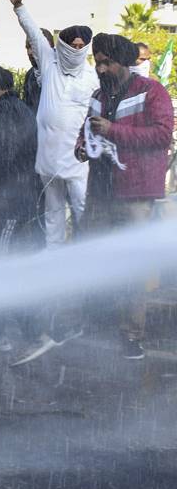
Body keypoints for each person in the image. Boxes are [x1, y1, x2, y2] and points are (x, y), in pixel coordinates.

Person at [76, 33, 174, 360]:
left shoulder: (152, 91)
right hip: (101, 193)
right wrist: (81, 147)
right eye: (98, 61)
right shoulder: (97, 95)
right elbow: (88, 130)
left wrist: (113, 131)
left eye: (107, 62)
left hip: (135, 194)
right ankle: (101, 322)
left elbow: (162, 135)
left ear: (124, 62)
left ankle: (132, 335)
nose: (101, 68)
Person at [0, 63, 54, 362]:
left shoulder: (3, 112)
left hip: (11, 206)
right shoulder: (17, 109)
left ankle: (34, 334)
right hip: (20, 202)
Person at [6, 0, 100, 247]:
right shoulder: (50, 64)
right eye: (74, 44)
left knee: (81, 206)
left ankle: (86, 254)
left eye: (83, 45)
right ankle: (54, 255)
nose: (77, 49)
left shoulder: (93, 76)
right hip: (48, 152)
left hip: (76, 155)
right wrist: (19, 6)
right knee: (53, 209)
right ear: (64, 45)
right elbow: (35, 35)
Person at [20, 27, 55, 113]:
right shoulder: (30, 74)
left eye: (33, 46)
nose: (29, 52)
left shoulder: (59, 72)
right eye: (27, 47)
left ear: (49, 46)